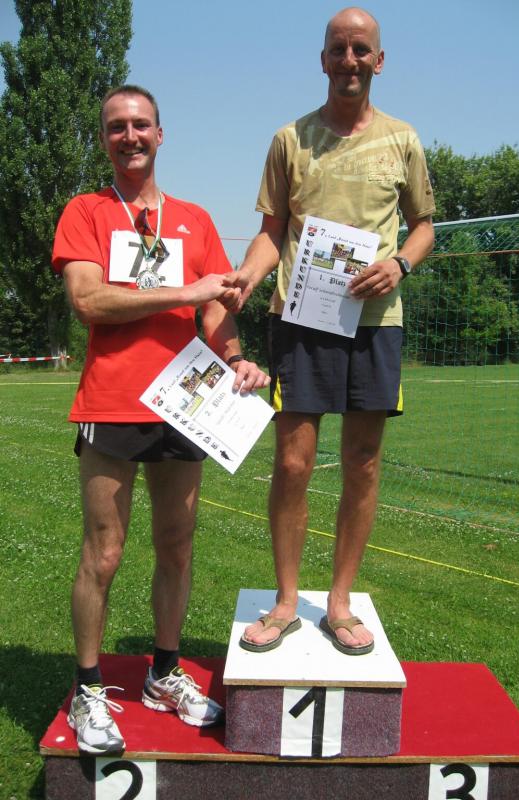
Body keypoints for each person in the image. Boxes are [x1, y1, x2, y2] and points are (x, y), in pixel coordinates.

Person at [52, 84, 269, 754]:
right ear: (104, 140)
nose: (130, 136)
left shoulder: (194, 220)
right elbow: (89, 301)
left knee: (177, 545)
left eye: (141, 124)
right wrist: (186, 290)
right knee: (104, 553)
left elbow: (215, 308)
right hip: (112, 402)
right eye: (117, 127)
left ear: (161, 134)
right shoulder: (86, 212)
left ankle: (164, 673)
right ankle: (89, 689)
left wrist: (236, 357)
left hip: (186, 404)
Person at [226, 7, 435, 655]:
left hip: (375, 325)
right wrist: (246, 278)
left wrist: (400, 264)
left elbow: (425, 227)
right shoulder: (290, 139)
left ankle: (339, 603)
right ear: (323, 60)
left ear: (379, 61)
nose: (349, 60)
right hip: (301, 320)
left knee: (362, 464)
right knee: (293, 464)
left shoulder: (403, 139)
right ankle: (287, 601)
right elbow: (271, 232)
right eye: (338, 49)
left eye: (360, 49)